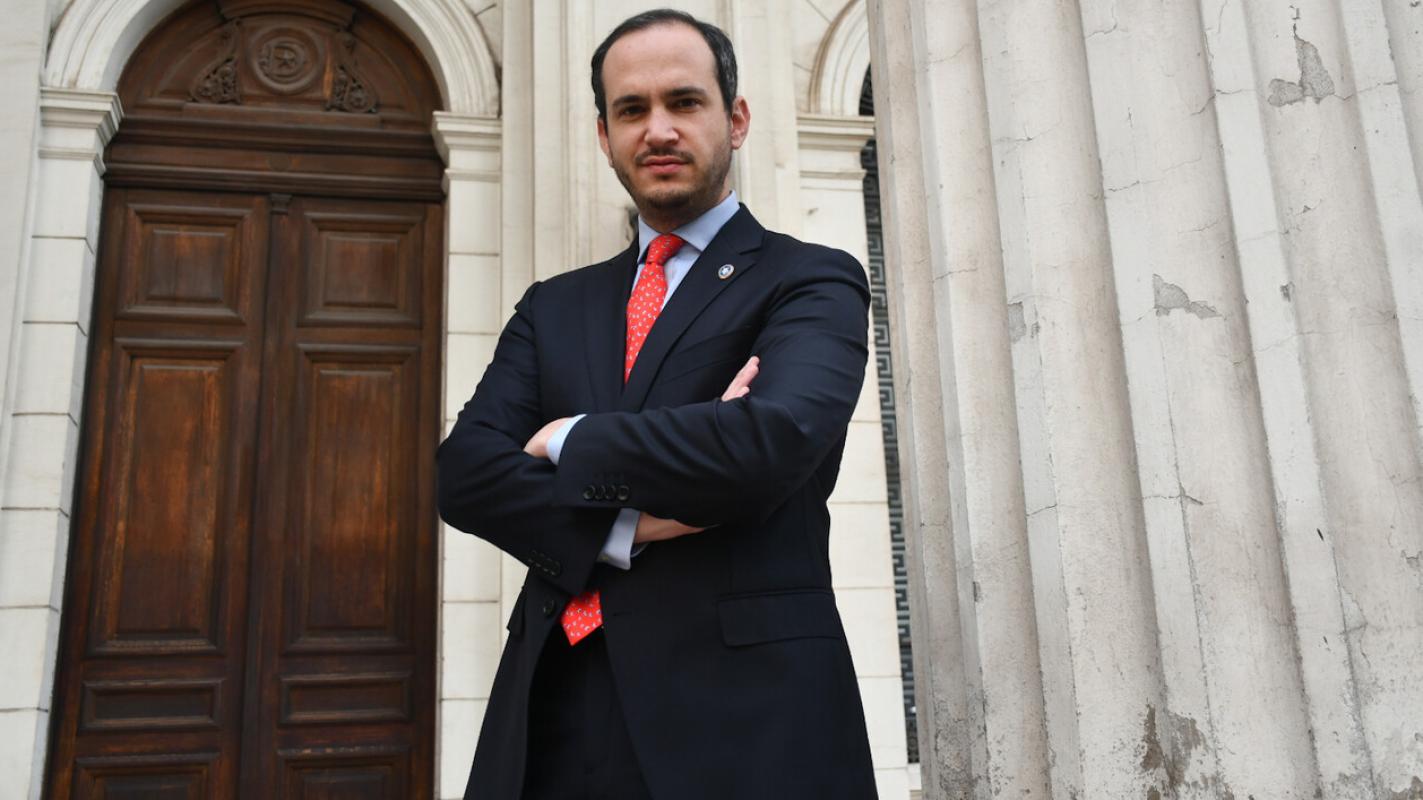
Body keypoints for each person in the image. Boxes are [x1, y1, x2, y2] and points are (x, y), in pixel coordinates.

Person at [437, 8, 877, 799]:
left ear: (735, 120)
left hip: (744, 721)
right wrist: (628, 525)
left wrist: (567, 438)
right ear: (604, 137)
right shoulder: (553, 306)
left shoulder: (810, 279)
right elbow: (464, 475)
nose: (658, 129)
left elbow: (769, 441)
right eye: (631, 110)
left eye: (684, 101)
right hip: (553, 707)